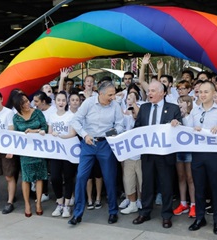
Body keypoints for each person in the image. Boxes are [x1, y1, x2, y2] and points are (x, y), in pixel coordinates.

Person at [69, 80, 124, 225]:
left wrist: (109, 133)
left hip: (106, 144)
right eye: (110, 95)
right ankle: (77, 214)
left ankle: (113, 212)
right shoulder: (88, 103)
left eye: (113, 94)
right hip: (88, 143)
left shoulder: (116, 106)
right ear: (100, 94)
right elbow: (75, 121)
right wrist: (84, 134)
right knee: (81, 177)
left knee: (109, 178)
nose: (113, 97)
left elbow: (120, 125)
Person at [184, 81, 217, 235]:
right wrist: (192, 129)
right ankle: (200, 218)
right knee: (199, 188)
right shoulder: (195, 111)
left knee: (216, 188)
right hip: (198, 154)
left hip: (216, 155)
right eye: (200, 92)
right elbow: (187, 130)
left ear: (213, 93)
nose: (202, 95)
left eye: (206, 92)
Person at [133, 80, 182, 229]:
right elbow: (137, 128)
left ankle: (166, 215)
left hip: (165, 154)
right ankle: (145, 212)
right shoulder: (144, 108)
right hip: (148, 153)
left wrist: (176, 123)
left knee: (166, 184)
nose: (149, 93)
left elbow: (180, 128)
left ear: (162, 93)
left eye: (153, 91)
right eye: (149, 91)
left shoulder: (173, 109)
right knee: (147, 183)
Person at [12, 92, 48, 217]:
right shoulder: (16, 118)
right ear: (18, 105)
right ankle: (27, 204)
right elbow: (15, 135)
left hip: (38, 149)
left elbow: (45, 128)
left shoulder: (37, 113)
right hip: (25, 151)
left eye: (27, 101)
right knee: (26, 178)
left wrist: (35, 131)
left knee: (39, 177)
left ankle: (38, 203)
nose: (27, 104)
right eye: (23, 103)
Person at [48, 91, 77, 218]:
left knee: (69, 178)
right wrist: (51, 134)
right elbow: (49, 132)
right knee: (54, 177)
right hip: (55, 152)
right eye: (58, 100)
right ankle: (59, 203)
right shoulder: (52, 116)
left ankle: (66, 205)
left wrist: (60, 136)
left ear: (67, 102)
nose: (61, 102)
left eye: (63, 100)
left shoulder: (71, 116)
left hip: (68, 151)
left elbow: (73, 133)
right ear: (55, 101)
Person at [173, 96, 196, 218]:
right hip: (178, 150)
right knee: (181, 177)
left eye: (182, 103)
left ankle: (193, 204)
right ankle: (183, 203)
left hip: (190, 151)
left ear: (188, 103)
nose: (180, 105)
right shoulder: (176, 117)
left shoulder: (192, 116)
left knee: (190, 178)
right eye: (178, 103)